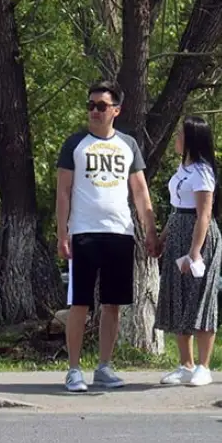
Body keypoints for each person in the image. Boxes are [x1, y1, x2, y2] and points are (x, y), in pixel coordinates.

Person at [56, 81, 158, 393]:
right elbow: (63, 191)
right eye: (90, 105)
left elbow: (140, 191)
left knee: (112, 304)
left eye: (101, 106)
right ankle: (74, 370)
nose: (95, 111)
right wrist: (62, 232)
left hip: (119, 233)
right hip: (84, 233)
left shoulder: (128, 144)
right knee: (80, 303)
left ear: (116, 110)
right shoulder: (75, 144)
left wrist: (150, 231)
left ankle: (104, 366)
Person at [155, 115, 222, 387]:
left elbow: (203, 215)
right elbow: (177, 208)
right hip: (178, 231)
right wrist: (162, 238)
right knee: (178, 297)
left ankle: (204, 366)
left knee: (201, 298)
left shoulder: (202, 172)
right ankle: (185, 364)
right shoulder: (182, 169)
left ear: (192, 139)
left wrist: (195, 251)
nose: (176, 139)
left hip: (199, 237)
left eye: (180, 134)